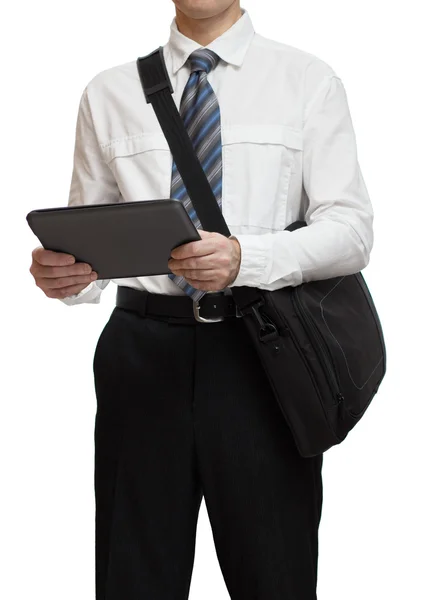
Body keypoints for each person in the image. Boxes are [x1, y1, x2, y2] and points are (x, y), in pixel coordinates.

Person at [29, 1, 374, 598]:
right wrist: (67, 275)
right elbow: (93, 243)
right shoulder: (108, 91)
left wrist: (247, 259)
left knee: (276, 574)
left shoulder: (306, 80)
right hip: (139, 355)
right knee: (133, 577)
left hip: (262, 353)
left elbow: (351, 232)